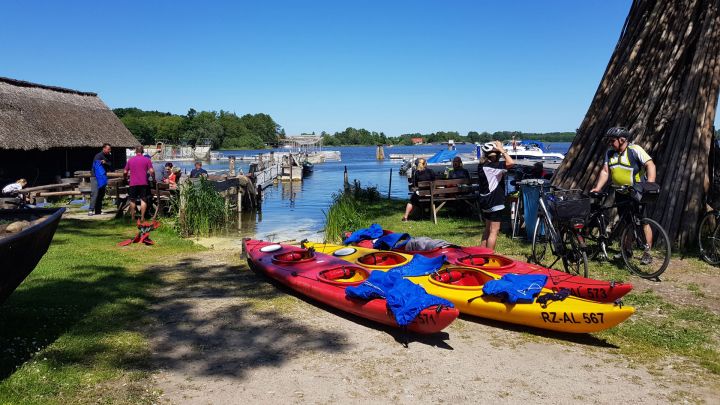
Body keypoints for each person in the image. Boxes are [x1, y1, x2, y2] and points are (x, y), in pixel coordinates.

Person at [590, 126, 656, 264]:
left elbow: (650, 165)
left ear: (622, 140)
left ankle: (647, 253)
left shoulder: (635, 150)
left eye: (612, 140)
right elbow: (605, 171)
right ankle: (627, 251)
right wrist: (597, 187)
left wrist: (649, 185)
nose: (610, 143)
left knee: (643, 221)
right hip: (620, 192)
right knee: (626, 222)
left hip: (637, 192)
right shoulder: (610, 153)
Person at [477, 140, 514, 250]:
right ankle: (489, 257)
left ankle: (482, 254)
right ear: (497, 155)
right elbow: (511, 163)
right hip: (494, 201)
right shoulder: (494, 166)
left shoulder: (483, 165)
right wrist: (502, 150)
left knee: (487, 229)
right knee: (494, 231)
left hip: (485, 201)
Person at [124, 146, 155, 221]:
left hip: (133, 183)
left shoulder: (130, 160)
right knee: (143, 200)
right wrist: (153, 178)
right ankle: (142, 217)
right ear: (143, 151)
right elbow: (152, 171)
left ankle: (133, 217)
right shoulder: (147, 160)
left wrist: (125, 178)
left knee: (132, 200)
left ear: (135, 151)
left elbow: (125, 172)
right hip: (143, 183)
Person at [89, 143, 112, 216]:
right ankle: (91, 210)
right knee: (95, 193)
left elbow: (111, 165)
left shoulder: (108, 156)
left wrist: (106, 163)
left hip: (103, 177)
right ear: (104, 148)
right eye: (108, 149)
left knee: (101, 194)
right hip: (95, 177)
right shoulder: (98, 156)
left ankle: (98, 210)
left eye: (110, 149)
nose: (109, 150)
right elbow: (96, 167)